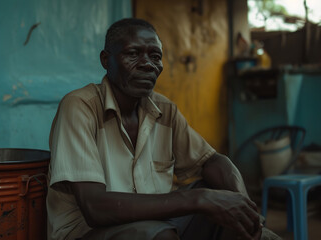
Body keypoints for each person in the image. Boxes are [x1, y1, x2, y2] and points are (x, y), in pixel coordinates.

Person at [47, 18, 280, 240]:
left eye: (155, 56)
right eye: (133, 54)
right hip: (86, 232)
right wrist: (197, 199)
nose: (148, 64)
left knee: (221, 203)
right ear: (106, 60)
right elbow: (94, 207)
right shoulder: (80, 106)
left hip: (154, 223)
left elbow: (212, 161)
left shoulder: (164, 110)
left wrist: (244, 209)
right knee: (159, 234)